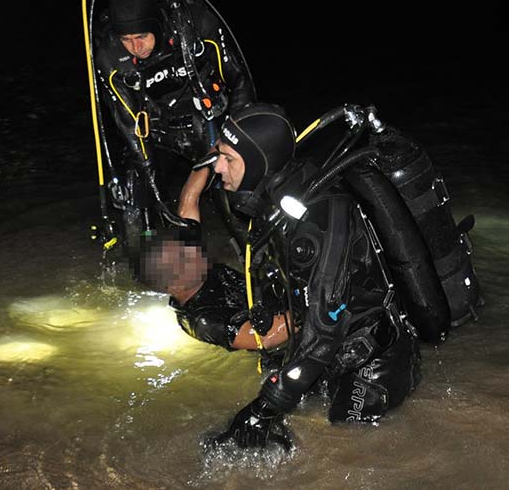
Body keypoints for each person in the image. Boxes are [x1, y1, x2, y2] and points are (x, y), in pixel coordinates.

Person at [135, 103, 441, 451]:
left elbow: (323, 331)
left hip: (373, 357)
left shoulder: (317, 221)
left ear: (258, 164)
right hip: (328, 351)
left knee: (348, 444)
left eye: (228, 158)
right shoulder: (275, 203)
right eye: (219, 156)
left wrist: (265, 408)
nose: (218, 167)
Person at [92, 0, 255, 239]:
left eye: (142, 36)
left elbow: (240, 80)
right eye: (127, 40)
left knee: (232, 200)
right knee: (136, 195)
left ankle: (251, 245)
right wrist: (154, 186)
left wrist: (232, 141)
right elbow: (128, 122)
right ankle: (148, 253)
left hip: (208, 121)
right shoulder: (110, 54)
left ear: (156, 24)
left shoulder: (193, 24)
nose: (136, 47)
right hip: (158, 127)